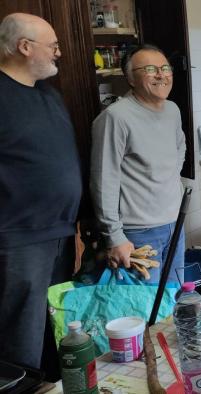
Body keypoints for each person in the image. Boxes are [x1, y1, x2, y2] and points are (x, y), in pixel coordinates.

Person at [0, 13, 81, 371]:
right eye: (53, 46)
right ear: (24, 46)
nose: (58, 53)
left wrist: (82, 222)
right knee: (22, 332)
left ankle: (51, 383)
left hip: (61, 232)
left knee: (56, 325)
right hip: (20, 236)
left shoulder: (48, 94)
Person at [91, 44, 186, 284]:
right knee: (141, 307)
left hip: (174, 223)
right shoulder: (116, 117)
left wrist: (165, 182)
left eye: (165, 68)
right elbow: (104, 179)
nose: (161, 74)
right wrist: (114, 235)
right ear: (131, 78)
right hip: (137, 232)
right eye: (150, 69)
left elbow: (180, 148)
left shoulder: (172, 110)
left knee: (173, 298)